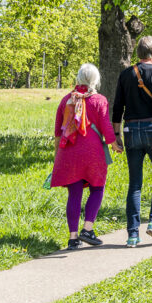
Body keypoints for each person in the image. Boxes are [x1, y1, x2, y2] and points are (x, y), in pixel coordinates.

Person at [111, 35, 152, 247]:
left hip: (131, 130)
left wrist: (116, 136)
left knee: (135, 183)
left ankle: (132, 234)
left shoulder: (126, 74)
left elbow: (117, 107)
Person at [51, 63, 116, 250]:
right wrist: (115, 144)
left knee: (74, 193)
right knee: (97, 188)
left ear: (78, 78)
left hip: (68, 151)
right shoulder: (99, 100)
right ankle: (87, 229)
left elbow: (57, 130)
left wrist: (57, 155)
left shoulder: (66, 100)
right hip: (93, 153)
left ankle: (73, 238)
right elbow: (106, 126)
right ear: (95, 80)